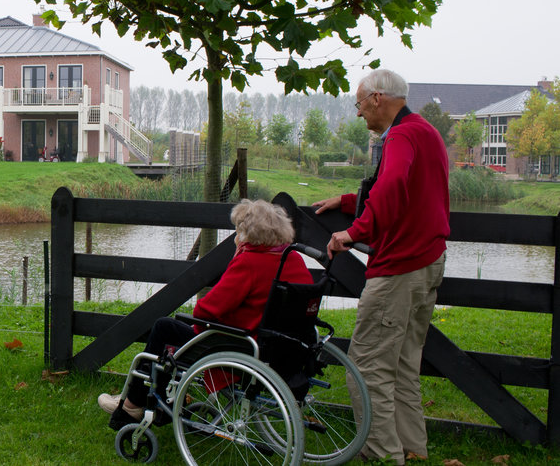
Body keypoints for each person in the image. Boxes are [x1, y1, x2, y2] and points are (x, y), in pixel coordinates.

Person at [312, 68, 449, 465]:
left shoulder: (402, 136)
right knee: (404, 365)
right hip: (428, 262)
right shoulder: (424, 132)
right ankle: (411, 450)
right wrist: (349, 198)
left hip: (400, 268)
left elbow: (391, 188)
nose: (359, 113)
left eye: (359, 103)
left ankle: (383, 456)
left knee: (368, 365)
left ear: (376, 98)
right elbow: (410, 187)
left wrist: (353, 232)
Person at [98, 199, 313, 426]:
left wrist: (238, 257)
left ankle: (132, 405)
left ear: (250, 234)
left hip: (240, 346)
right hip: (283, 349)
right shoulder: (294, 260)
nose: (236, 237)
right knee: (172, 333)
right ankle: (150, 401)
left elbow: (205, 310)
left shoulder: (250, 262)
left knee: (164, 328)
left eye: (238, 231)